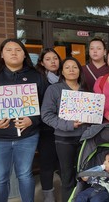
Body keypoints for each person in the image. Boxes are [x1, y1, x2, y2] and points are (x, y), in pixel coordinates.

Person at [0, 38, 47, 202]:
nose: (14, 52)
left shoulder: (36, 76)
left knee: (25, 174)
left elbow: (47, 105)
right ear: (1, 54)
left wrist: (32, 120)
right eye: (9, 49)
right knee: (0, 178)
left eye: (18, 49)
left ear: (24, 54)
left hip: (27, 136)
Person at [41, 57, 90, 202]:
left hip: (85, 139)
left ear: (80, 71)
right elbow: (46, 115)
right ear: (62, 71)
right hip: (64, 139)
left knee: (85, 176)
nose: (71, 70)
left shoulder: (85, 90)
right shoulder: (54, 89)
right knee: (67, 176)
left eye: (74, 67)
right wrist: (69, 125)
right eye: (67, 67)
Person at [35, 48, 62, 202]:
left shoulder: (64, 78)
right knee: (47, 163)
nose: (53, 61)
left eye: (55, 58)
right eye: (48, 59)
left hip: (65, 128)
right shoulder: (39, 79)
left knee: (62, 161)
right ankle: (48, 195)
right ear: (42, 63)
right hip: (46, 129)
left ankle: (67, 190)